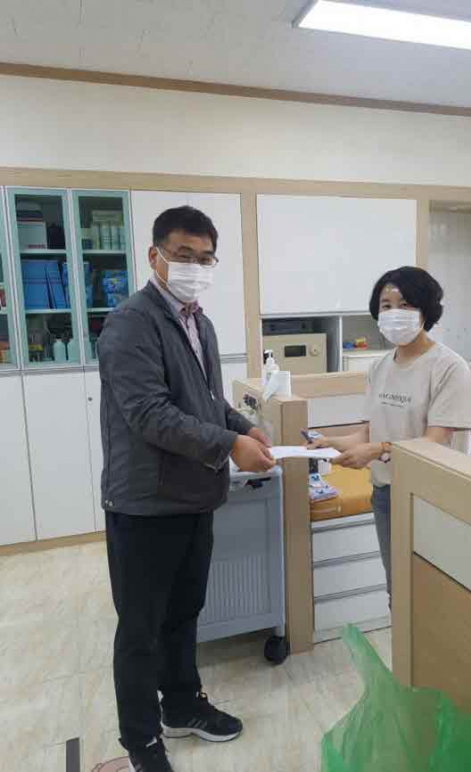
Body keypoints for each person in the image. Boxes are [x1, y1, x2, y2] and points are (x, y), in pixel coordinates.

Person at [98, 206, 275, 772]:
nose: (194, 267)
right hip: (146, 504)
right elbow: (149, 413)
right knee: (141, 630)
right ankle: (142, 743)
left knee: (184, 614)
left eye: (205, 259)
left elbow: (206, 401)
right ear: (154, 255)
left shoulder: (201, 322)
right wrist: (229, 445)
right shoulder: (131, 323)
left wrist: (242, 426)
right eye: (183, 256)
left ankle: (180, 706)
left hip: (195, 497)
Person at [309, 266, 471, 605]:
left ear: (426, 310)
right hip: (387, 493)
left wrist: (376, 450)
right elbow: (371, 431)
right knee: (398, 590)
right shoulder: (379, 367)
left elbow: (436, 441)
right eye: (386, 305)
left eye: (405, 304)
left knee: (436, 596)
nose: (394, 313)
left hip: (435, 496)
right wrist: (331, 443)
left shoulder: (448, 367)